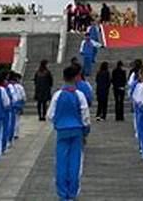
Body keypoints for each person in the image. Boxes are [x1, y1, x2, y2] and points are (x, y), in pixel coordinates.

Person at [47, 65, 90, 201]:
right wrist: (86, 131)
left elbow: (50, 115)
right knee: (75, 162)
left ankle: (62, 193)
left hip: (62, 131)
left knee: (61, 162)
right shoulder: (79, 95)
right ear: (76, 77)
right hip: (77, 131)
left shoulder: (57, 95)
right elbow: (85, 116)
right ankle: (72, 192)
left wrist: (58, 122)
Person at [10, 72, 26, 139]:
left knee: (12, 119)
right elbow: (23, 96)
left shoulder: (9, 86)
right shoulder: (20, 87)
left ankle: (12, 133)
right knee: (17, 119)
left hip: (12, 104)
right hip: (18, 103)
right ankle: (16, 133)